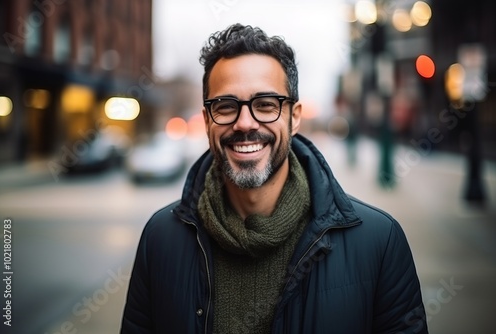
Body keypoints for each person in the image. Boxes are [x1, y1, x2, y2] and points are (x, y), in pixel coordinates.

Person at [121, 23, 428, 334]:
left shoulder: (378, 242)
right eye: (226, 106)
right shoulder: (160, 239)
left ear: (294, 117)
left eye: (265, 105)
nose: (244, 123)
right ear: (206, 120)